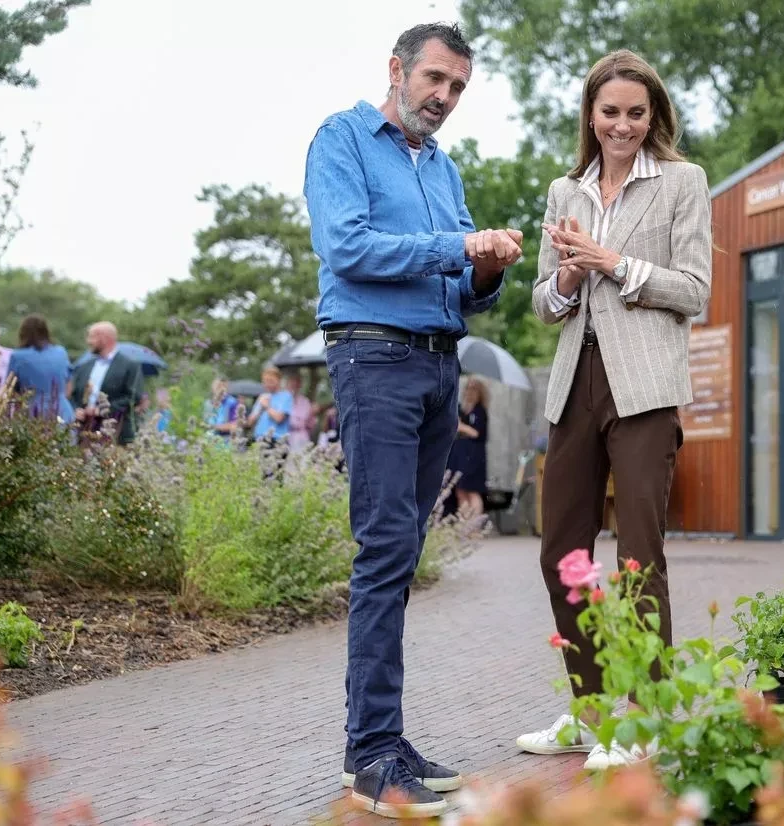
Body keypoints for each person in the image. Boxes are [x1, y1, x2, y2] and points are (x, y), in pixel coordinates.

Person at [303, 21, 523, 818]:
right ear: (396, 70)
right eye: (435, 78)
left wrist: (487, 269)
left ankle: (388, 738)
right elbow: (348, 248)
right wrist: (459, 244)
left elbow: (462, 286)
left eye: (459, 87)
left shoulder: (445, 166)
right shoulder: (342, 140)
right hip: (374, 360)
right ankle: (368, 756)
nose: (445, 97)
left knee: (402, 556)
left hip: (438, 365)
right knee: (383, 551)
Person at [515, 49, 713, 771]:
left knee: (637, 557)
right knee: (561, 550)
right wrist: (567, 275)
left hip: (645, 388)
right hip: (576, 381)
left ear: (653, 115)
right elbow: (543, 303)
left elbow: (695, 289)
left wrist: (612, 262)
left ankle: (650, 720)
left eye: (635, 112)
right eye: (609, 113)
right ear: (590, 117)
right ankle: (591, 711)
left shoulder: (683, 183)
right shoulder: (564, 191)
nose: (622, 125)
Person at [68, 322, 145, 445]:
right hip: (85, 431)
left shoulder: (130, 365)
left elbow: (134, 396)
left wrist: (101, 410)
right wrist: (76, 409)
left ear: (104, 338)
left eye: (91, 337)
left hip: (116, 432)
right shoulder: (84, 366)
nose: (88, 341)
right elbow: (73, 395)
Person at [7, 314, 75, 422]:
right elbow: (69, 385)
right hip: (63, 411)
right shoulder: (60, 352)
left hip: (33, 412)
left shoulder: (18, 356)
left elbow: (10, 390)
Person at [448, 378, 489, 520]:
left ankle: (475, 527)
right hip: (460, 455)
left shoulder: (480, 411)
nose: (469, 392)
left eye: (473, 389)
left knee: (473, 491)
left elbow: (477, 433)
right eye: (468, 388)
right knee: (460, 491)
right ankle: (464, 527)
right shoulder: (461, 409)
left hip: (473, 456)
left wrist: (461, 426)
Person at [246, 365, 293, 444]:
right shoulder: (263, 397)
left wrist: (267, 406)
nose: (267, 384)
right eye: (265, 381)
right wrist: (258, 408)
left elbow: (279, 418)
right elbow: (250, 422)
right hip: (258, 438)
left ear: (278, 380)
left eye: (270, 381)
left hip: (276, 440)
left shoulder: (286, 396)